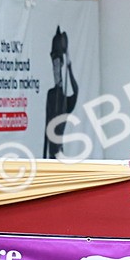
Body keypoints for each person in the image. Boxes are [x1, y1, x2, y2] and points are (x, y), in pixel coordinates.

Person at [44, 26, 79, 160]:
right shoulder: (51, 95)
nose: (56, 69)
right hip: (52, 152)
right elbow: (47, 126)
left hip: (58, 151)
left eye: (58, 64)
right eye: (54, 64)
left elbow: (76, 90)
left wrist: (69, 68)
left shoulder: (65, 102)